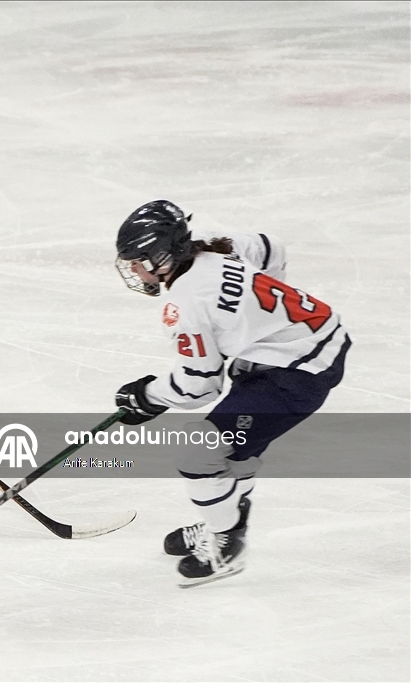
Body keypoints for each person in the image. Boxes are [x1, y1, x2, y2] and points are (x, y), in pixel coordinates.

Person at [112, 200, 351, 587]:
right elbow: (271, 248)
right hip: (309, 344)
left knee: (199, 450)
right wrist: (256, 325)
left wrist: (148, 397)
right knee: (237, 437)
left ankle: (226, 542)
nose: (134, 270)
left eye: (138, 260)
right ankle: (221, 519)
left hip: (301, 372)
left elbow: (200, 385)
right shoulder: (213, 246)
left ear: (161, 255)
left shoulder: (185, 303)